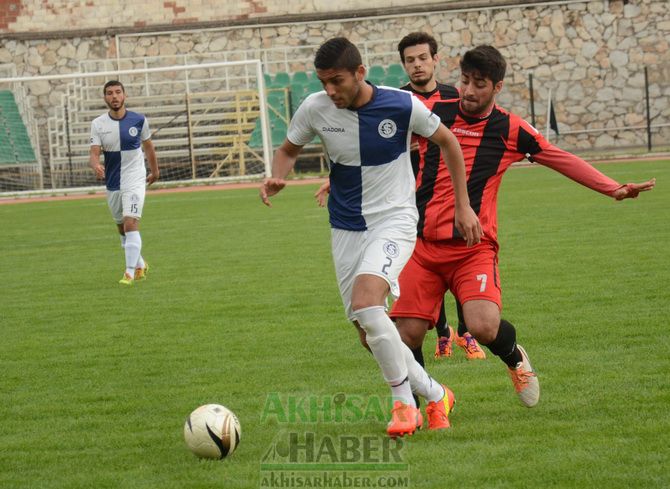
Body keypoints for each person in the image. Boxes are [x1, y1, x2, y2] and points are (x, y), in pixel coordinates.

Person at [389, 45, 655, 408]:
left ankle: (514, 358)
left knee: (482, 326)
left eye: (478, 84)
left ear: (497, 87)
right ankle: (418, 407)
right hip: (422, 246)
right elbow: (384, 148)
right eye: (465, 80)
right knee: (405, 334)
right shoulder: (432, 113)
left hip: (474, 248)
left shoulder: (510, 129)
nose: (467, 91)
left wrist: (613, 188)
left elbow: (560, 158)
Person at [260, 37, 482, 438]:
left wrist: (464, 206)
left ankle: (403, 405)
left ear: (360, 73)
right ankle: (435, 394)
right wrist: (279, 174)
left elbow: (448, 142)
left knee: (368, 302)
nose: (330, 90)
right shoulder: (315, 107)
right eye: (323, 81)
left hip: (393, 221)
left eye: (337, 80)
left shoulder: (399, 104)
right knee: (368, 333)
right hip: (345, 227)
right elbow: (289, 149)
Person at [397, 31, 487, 363]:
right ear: (404, 65)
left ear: (436, 59)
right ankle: (443, 332)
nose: (417, 65)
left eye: (423, 58)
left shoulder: (453, 96)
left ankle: (467, 334)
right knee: (428, 274)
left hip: (454, 197)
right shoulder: (398, 100)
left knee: (461, 263)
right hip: (412, 199)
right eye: (410, 60)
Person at [89, 80, 159, 286]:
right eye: (109, 93)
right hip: (113, 181)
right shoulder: (98, 124)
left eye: (118, 92)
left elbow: (149, 148)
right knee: (121, 228)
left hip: (135, 179)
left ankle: (129, 272)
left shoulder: (138, 120)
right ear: (105, 98)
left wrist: (155, 171)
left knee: (131, 223)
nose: (114, 96)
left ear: (125, 95)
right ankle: (140, 263)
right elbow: (93, 155)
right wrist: (96, 165)